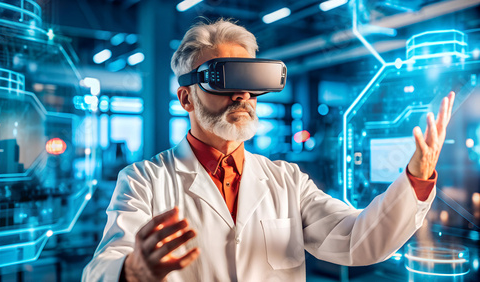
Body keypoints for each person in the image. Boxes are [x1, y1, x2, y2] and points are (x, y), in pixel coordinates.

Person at [82, 19, 455, 282]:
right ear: (186, 98)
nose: (242, 94)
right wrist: (132, 272)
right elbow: (101, 269)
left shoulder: (286, 181)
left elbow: (359, 240)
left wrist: (417, 179)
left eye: (249, 80)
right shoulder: (145, 181)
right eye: (224, 79)